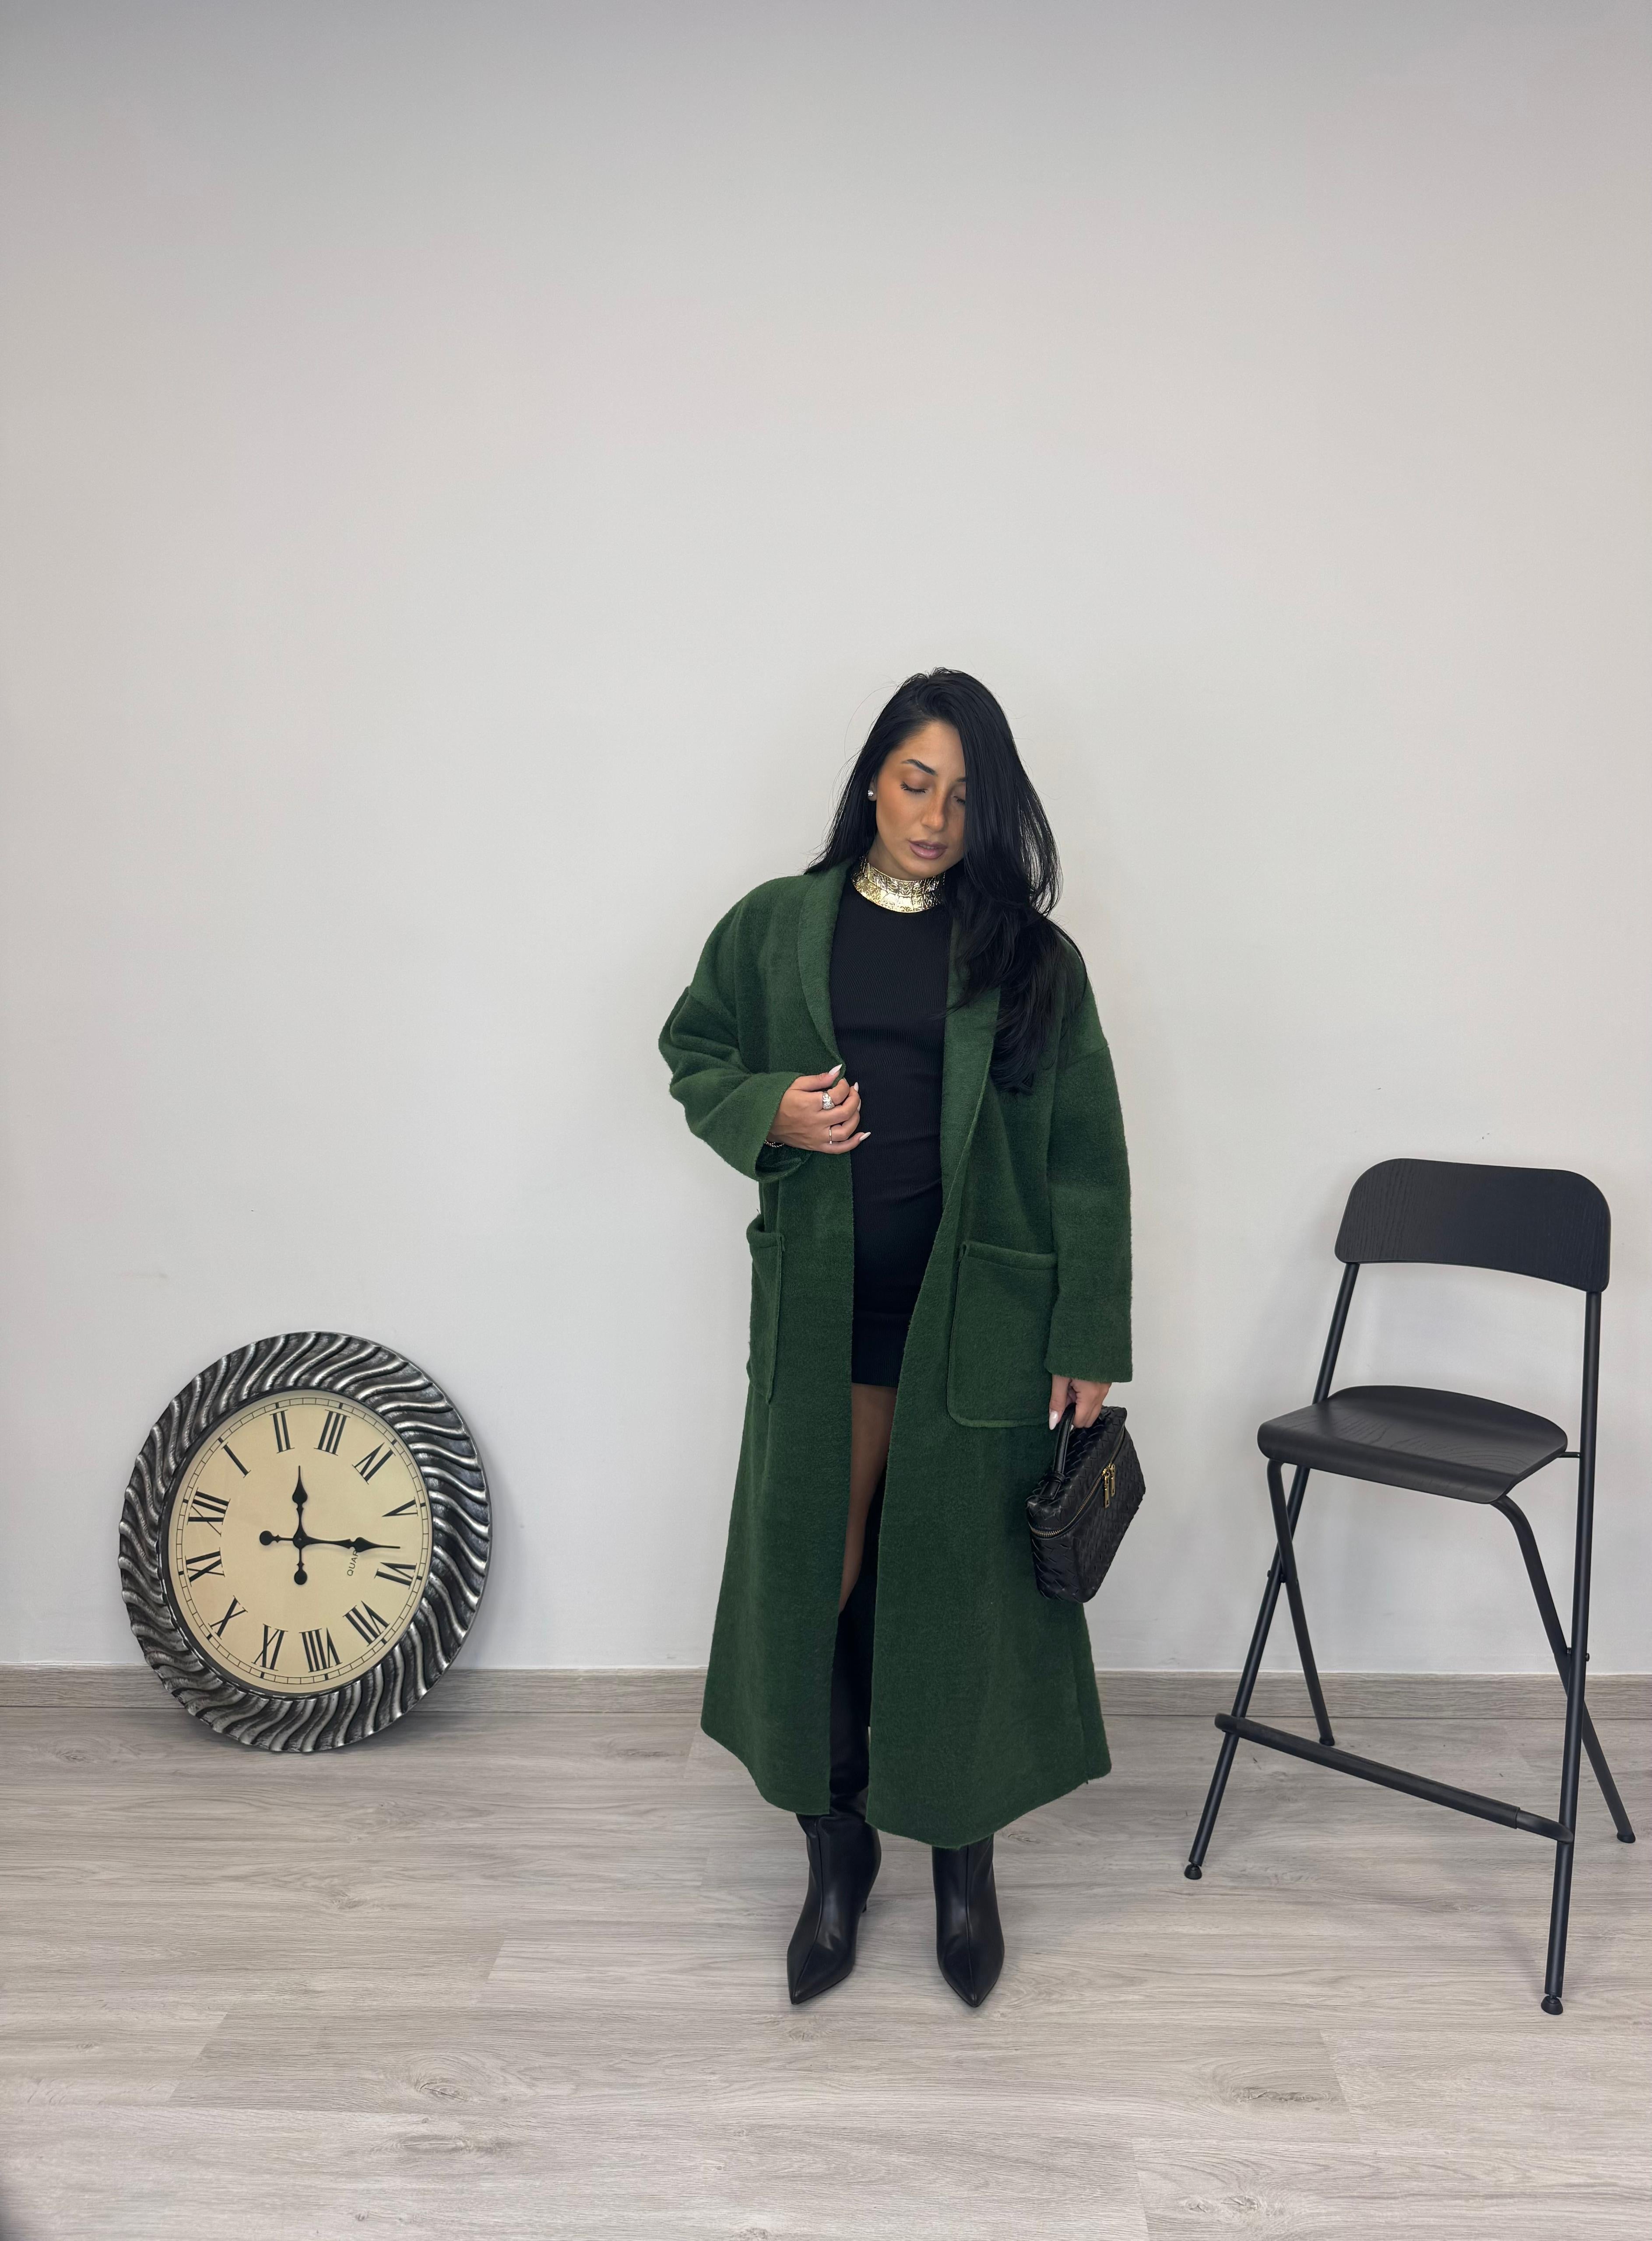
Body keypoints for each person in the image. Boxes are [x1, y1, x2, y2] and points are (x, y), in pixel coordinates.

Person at [657, 667, 1131, 2007]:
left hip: (976, 1328)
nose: (935, 816)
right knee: (819, 1577)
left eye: (966, 796)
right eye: (917, 783)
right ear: (874, 778)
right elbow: (693, 1049)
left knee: (958, 1593)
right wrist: (767, 1107)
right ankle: (838, 1846)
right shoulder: (775, 926)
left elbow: (1088, 1156)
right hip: (824, 1321)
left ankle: (964, 1864)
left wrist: (1088, 1330)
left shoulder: (1032, 962)